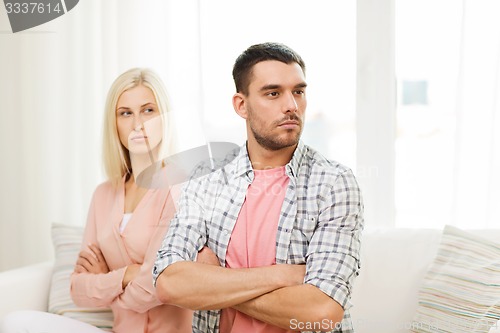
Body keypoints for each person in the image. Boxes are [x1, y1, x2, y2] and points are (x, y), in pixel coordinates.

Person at [153, 43, 364, 333]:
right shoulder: (207, 178)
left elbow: (321, 312)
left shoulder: (333, 183)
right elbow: (169, 283)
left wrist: (215, 282)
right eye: (273, 93)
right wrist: (281, 276)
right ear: (242, 105)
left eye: (298, 92)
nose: (291, 105)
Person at [1, 68, 192, 333]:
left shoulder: (179, 186)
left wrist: (104, 280)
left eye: (148, 110)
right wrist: (126, 274)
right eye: (126, 113)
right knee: (15, 321)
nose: (137, 124)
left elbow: (155, 286)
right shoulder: (103, 194)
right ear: (114, 123)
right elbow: (77, 289)